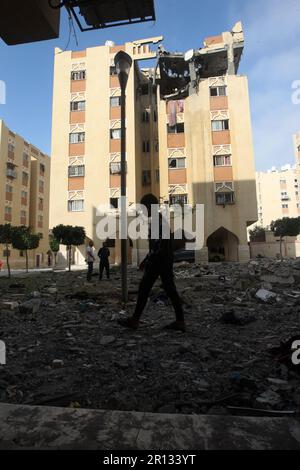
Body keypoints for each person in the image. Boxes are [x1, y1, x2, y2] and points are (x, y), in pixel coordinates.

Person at [118, 203, 185, 333]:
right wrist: (146, 259)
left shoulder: (158, 223)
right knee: (169, 290)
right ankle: (180, 321)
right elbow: (157, 245)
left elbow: (159, 246)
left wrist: (149, 259)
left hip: (159, 262)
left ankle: (135, 320)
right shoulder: (159, 222)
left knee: (145, 289)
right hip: (163, 261)